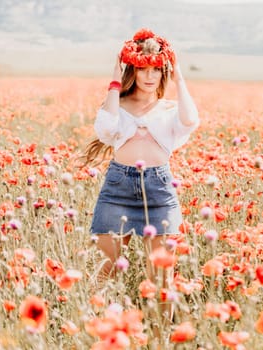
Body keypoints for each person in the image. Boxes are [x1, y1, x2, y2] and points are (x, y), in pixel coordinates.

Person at [81, 28, 199, 282]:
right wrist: (115, 78)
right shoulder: (117, 106)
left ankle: (160, 324)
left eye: (156, 69)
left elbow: (190, 120)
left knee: (162, 278)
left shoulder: (169, 109)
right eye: (143, 69)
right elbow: (106, 129)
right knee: (105, 273)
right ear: (132, 71)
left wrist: (178, 77)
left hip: (159, 190)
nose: (150, 76)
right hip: (118, 189)